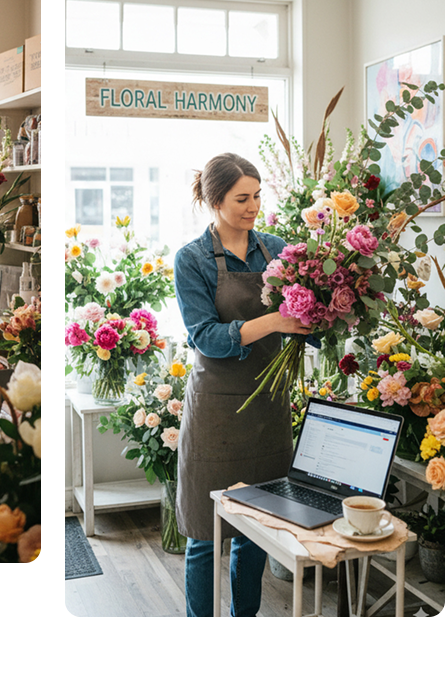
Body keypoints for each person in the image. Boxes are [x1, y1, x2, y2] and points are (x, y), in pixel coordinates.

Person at [173, 152, 310, 616]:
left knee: (258, 533)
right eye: (242, 198)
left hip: (268, 409)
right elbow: (206, 337)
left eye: (257, 196)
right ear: (214, 200)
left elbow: (301, 311)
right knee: (206, 538)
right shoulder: (191, 260)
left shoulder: (277, 249)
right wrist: (275, 320)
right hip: (215, 411)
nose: (253, 207)